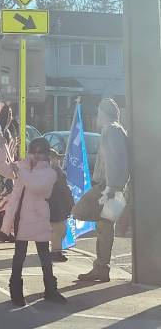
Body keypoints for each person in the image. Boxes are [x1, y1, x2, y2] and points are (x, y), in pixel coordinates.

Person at [0, 137, 66, 306]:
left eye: (40, 152)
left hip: (38, 217)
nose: (36, 155)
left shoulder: (50, 172)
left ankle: (50, 290)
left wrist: (20, 171)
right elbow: (2, 168)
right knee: (18, 257)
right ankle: (16, 292)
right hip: (20, 218)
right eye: (33, 151)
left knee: (44, 256)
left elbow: (37, 186)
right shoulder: (23, 166)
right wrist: (1, 149)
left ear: (46, 153)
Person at [78, 98, 129, 282]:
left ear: (104, 113)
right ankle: (101, 266)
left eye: (99, 111)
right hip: (110, 186)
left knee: (100, 224)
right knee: (104, 226)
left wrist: (111, 188)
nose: (97, 115)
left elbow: (116, 161)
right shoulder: (113, 130)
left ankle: (101, 267)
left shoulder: (112, 130)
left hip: (109, 187)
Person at [49, 148, 74, 263]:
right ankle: (55, 252)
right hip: (58, 206)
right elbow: (65, 189)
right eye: (56, 158)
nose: (59, 161)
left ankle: (55, 250)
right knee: (59, 230)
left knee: (57, 230)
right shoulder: (57, 172)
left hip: (51, 205)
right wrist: (71, 203)